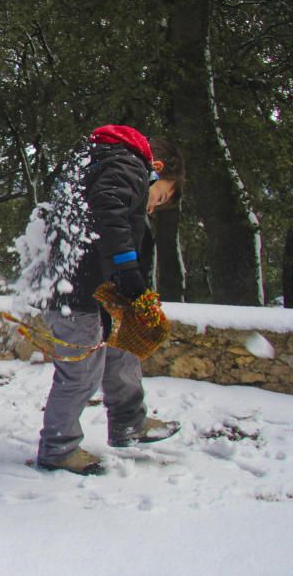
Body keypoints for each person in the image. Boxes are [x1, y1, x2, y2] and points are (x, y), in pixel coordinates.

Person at [31, 124, 186, 475]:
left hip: (93, 287)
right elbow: (109, 208)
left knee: (121, 351)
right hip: (75, 292)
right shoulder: (128, 164)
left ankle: (129, 423)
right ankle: (58, 449)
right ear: (157, 168)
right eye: (160, 197)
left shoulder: (103, 160)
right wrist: (126, 267)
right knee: (81, 373)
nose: (152, 207)